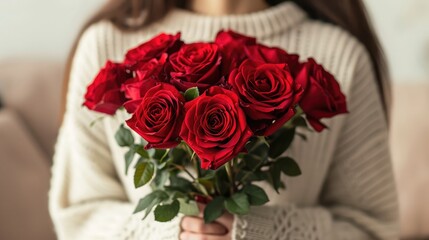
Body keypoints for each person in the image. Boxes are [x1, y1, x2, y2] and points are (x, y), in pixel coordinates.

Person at [49, 0, 399, 239]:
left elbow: (372, 228)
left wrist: (270, 231)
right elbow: (78, 220)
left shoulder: (340, 55)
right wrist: (169, 231)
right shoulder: (105, 45)